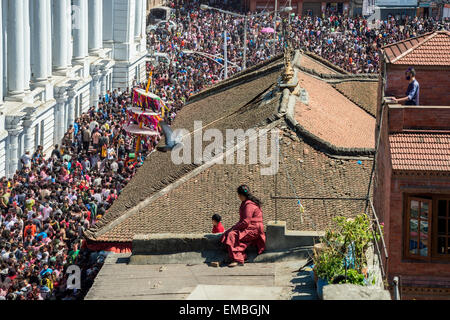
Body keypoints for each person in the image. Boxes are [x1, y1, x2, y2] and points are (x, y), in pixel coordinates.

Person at [220, 185, 266, 268]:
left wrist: (234, 228)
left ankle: (238, 259)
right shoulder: (246, 203)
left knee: (232, 235)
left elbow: (245, 222)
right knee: (228, 233)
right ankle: (237, 256)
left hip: (254, 229)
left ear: (241, 195)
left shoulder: (249, 205)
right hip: (250, 227)